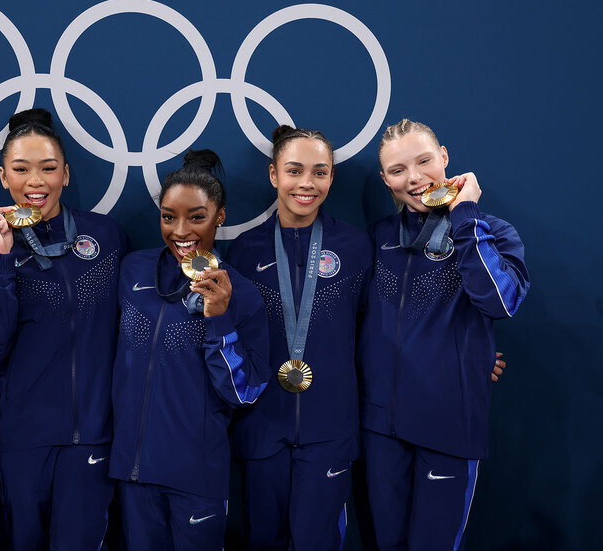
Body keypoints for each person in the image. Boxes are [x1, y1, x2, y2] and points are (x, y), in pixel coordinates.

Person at [357, 119, 530, 550]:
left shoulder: (491, 231)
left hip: (448, 426)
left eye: (424, 161)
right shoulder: (377, 239)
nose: (414, 178)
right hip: (381, 429)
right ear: (385, 179)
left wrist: (464, 216)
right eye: (398, 170)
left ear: (445, 158)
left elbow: (500, 302)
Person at [0, 108, 127, 550]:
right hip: (22, 442)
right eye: (21, 169)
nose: (35, 181)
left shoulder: (107, 237)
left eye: (48, 168)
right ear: (3, 177)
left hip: (93, 438)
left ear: (67, 175)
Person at [110, 149, 271, 551]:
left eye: (197, 217)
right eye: (169, 216)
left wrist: (219, 319)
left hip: (196, 476)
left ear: (220, 216)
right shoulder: (132, 269)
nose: (181, 230)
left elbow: (242, 392)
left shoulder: (242, 293)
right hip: (133, 472)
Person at [226, 126, 372, 550]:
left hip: (330, 426)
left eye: (319, 172)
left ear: (331, 178)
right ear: (274, 175)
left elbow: (380, 329)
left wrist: (468, 351)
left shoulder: (355, 245)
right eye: (294, 171)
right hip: (261, 426)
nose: (307, 183)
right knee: (263, 540)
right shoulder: (245, 250)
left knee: (317, 542)